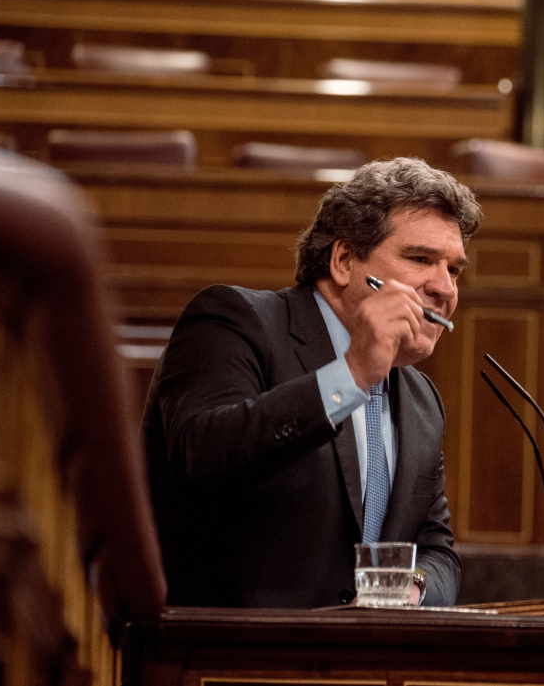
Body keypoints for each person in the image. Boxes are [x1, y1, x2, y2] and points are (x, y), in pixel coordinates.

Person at [142, 157, 482, 608]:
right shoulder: (235, 321)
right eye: (420, 259)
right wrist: (353, 374)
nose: (445, 288)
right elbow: (203, 454)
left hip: (362, 668)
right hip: (223, 660)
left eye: (454, 270)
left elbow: (436, 549)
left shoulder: (421, 399)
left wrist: (412, 587)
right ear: (344, 261)